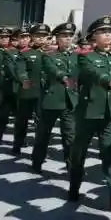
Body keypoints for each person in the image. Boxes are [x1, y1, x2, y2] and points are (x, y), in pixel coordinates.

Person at [67, 16, 111, 208]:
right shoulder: (85, 57)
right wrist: (110, 82)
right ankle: (74, 187)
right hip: (88, 113)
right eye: (103, 32)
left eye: (110, 32)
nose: (108, 35)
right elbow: (92, 73)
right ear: (93, 37)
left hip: (109, 114)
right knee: (79, 152)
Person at [32, 22, 79, 173]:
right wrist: (64, 77)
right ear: (57, 38)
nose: (67, 39)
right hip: (51, 101)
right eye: (64, 36)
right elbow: (52, 70)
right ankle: (37, 161)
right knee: (43, 134)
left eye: (70, 36)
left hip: (70, 101)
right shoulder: (49, 56)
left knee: (70, 136)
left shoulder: (77, 56)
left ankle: (71, 167)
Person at [14, 24, 49, 155]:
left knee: (42, 123)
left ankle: (39, 151)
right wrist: (24, 79)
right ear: (32, 38)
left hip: (46, 93)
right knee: (22, 119)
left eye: (44, 36)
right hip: (28, 91)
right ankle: (18, 143)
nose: (41, 39)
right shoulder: (25, 53)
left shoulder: (52, 53)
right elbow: (20, 70)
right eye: (38, 36)